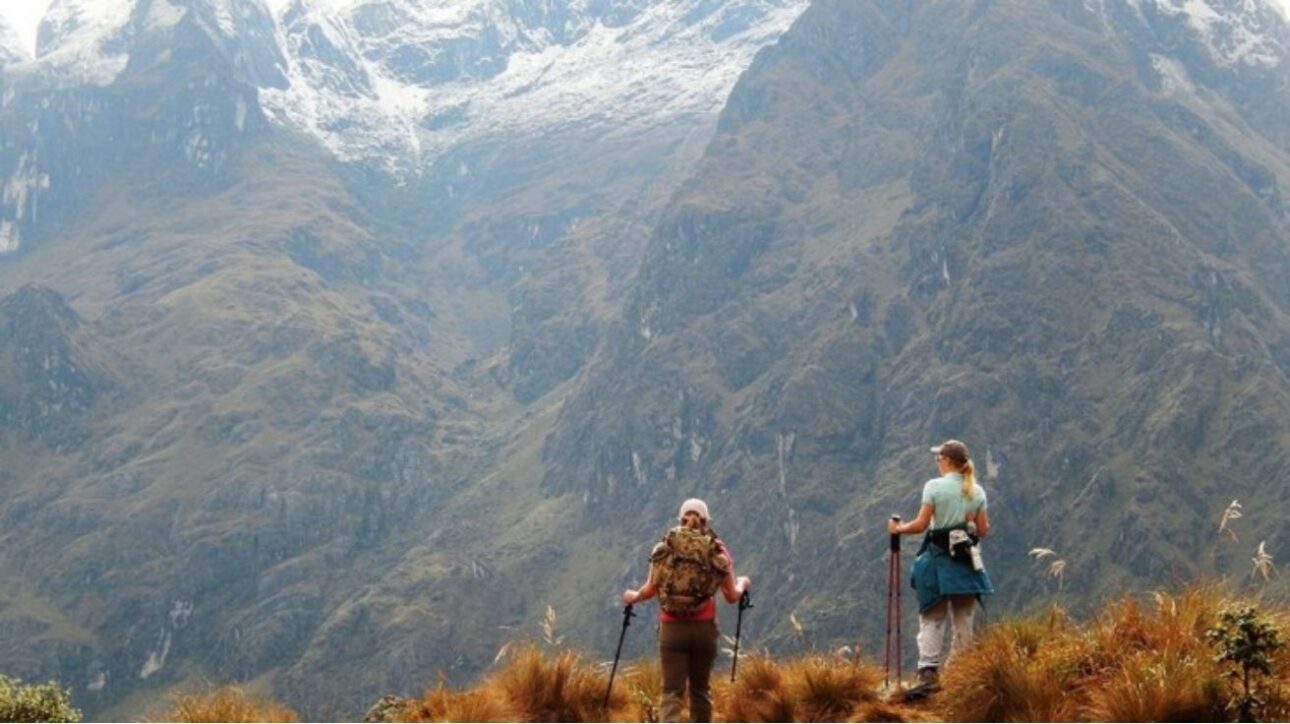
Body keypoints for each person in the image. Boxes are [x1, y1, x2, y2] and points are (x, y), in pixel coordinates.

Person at [623, 499, 751, 723]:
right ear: (705, 521)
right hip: (704, 630)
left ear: (681, 519)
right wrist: (743, 583)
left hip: (672, 630)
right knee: (700, 691)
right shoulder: (717, 549)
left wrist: (633, 596)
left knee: (671, 692)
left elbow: (650, 588)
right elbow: (731, 596)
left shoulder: (664, 547)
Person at [888, 439, 994, 691]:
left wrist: (897, 529)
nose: (937, 462)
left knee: (932, 617)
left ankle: (928, 675)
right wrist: (966, 523)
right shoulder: (977, 491)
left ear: (947, 461)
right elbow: (983, 530)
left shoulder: (934, 487)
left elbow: (920, 524)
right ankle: (960, 676)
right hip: (966, 562)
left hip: (937, 560)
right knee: (964, 620)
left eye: (938, 458)